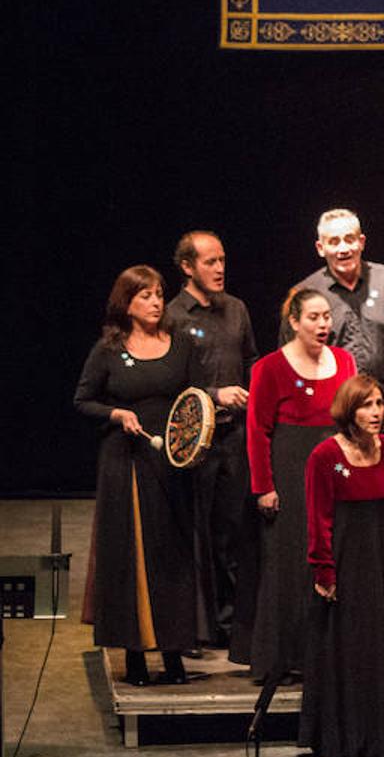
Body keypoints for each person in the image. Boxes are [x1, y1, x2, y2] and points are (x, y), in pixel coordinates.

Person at [74, 266, 198, 686]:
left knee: (171, 555)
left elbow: (194, 398)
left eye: (160, 293)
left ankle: (174, 654)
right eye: (145, 295)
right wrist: (115, 413)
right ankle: (135, 655)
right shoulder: (108, 350)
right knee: (132, 555)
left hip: (171, 463)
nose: (156, 301)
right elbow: (83, 400)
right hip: (125, 463)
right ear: (126, 302)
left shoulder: (180, 344)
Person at [247, 289, 357, 684]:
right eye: (313, 317)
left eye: (327, 316)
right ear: (294, 321)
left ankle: (324, 655)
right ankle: (282, 656)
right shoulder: (270, 368)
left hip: (334, 468)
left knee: (331, 555)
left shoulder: (344, 361)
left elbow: (351, 419)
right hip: (290, 470)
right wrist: (264, 485)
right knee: (289, 563)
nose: (323, 324)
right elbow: (258, 430)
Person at [301, 375, 384, 757]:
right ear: (349, 409)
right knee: (342, 649)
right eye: (367, 405)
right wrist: (324, 572)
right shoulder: (325, 456)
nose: (376, 412)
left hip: (376, 561)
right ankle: (341, 740)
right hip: (343, 561)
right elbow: (319, 519)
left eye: (379, 404)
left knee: (374, 650)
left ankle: (374, 739)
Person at [164, 230, 258, 654]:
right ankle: (195, 627)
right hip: (194, 442)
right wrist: (214, 394)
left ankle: (232, 623)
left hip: (235, 436)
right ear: (187, 267)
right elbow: (168, 380)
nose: (219, 269)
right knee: (196, 532)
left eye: (222, 260)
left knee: (233, 530)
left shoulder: (236, 309)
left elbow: (252, 362)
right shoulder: (173, 317)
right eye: (209, 262)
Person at [285, 208, 384, 395]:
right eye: (334, 242)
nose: (343, 249)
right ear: (320, 248)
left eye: (349, 239)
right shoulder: (304, 293)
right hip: (331, 402)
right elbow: (290, 361)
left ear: (361, 242)